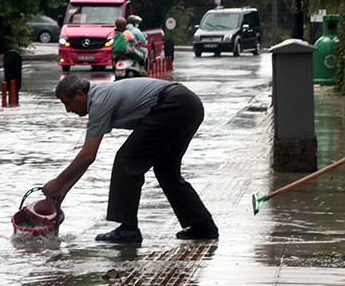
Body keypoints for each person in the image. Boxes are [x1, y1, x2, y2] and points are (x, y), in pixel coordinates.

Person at [42, 75, 218, 243]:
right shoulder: (101, 95)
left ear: (80, 94)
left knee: (126, 161)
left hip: (175, 104)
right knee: (166, 170)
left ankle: (128, 229)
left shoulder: (99, 102)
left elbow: (88, 155)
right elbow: (87, 158)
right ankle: (203, 226)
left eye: (67, 102)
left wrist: (57, 182)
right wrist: (62, 190)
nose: (68, 110)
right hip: (189, 104)